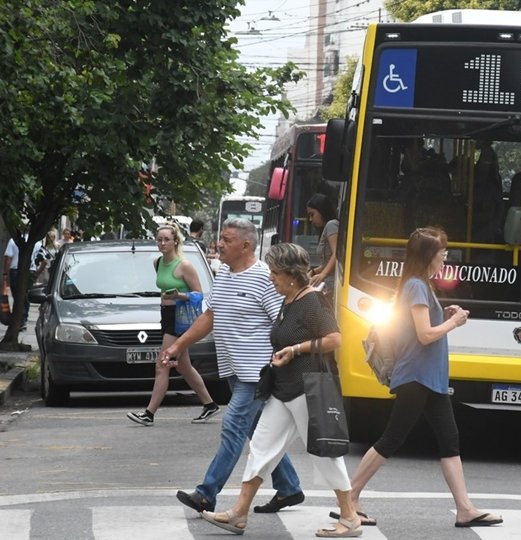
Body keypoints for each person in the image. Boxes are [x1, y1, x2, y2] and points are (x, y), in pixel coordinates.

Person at [343, 226, 503, 529]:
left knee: (449, 440)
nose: (445, 256)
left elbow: (423, 328)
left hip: (430, 378)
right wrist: (453, 322)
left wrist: (444, 316)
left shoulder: (421, 286)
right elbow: (425, 335)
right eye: (441, 251)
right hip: (417, 376)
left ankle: (464, 508)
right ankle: (349, 498)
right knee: (392, 438)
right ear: (428, 255)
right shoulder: (416, 286)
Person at [199, 243, 360, 537]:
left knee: (324, 454)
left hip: (305, 388)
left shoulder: (311, 301)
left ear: (290, 274)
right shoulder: (289, 298)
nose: (271, 277)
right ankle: (238, 514)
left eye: (274, 272)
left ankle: (349, 517)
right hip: (283, 389)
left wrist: (295, 349)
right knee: (261, 447)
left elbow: (335, 339)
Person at [164, 218, 305, 515]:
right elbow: (210, 316)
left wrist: (282, 359)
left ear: (245, 245)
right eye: (220, 239)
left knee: (232, 429)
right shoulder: (226, 273)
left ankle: (206, 493)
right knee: (257, 432)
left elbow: (285, 323)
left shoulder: (265, 278)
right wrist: (178, 345)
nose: (219, 244)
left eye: (226, 240)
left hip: (257, 374)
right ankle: (289, 487)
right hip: (234, 369)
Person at [126, 223, 220, 426]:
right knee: (184, 366)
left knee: (162, 364)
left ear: (175, 241)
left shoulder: (184, 265)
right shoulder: (158, 263)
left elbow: (199, 294)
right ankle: (209, 404)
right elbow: (163, 288)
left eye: (166, 239)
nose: (162, 243)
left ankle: (149, 413)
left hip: (180, 318)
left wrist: (180, 295)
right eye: (159, 240)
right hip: (166, 315)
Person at [306, 194, 339, 301]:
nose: (310, 219)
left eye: (312, 214)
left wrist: (322, 275)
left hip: (332, 284)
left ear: (322, 211)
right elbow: (327, 262)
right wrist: (314, 272)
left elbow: (336, 253)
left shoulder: (332, 225)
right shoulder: (327, 227)